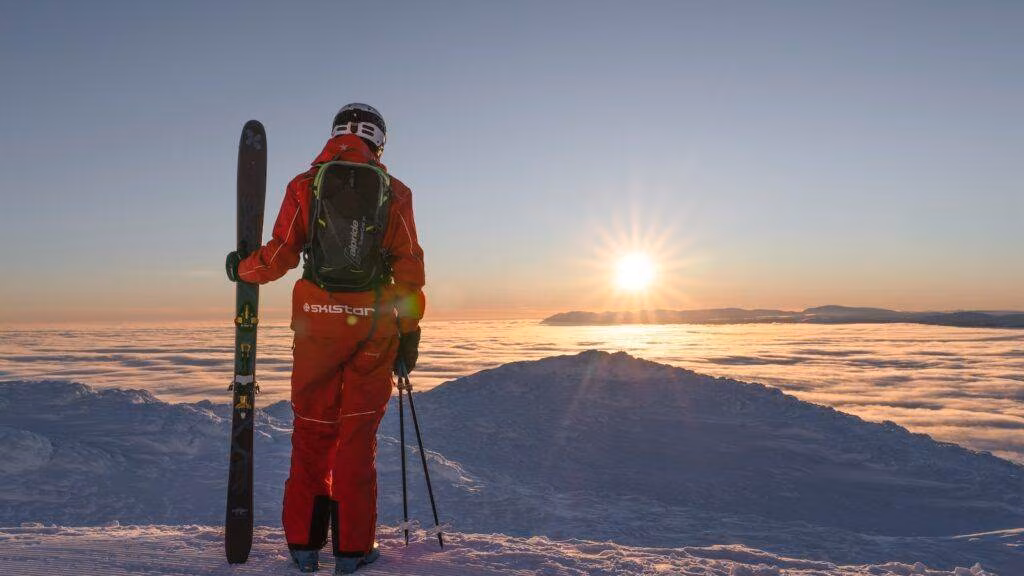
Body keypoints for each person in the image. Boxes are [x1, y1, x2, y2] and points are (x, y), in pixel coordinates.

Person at [225, 103, 425, 574]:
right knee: (357, 441)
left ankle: (303, 546)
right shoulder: (395, 192)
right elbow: (409, 271)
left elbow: (279, 255)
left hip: (316, 328)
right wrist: (408, 336)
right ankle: (353, 551)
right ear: (379, 141)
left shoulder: (304, 185)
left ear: (335, 134)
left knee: (312, 436)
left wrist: (241, 268)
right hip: (373, 333)